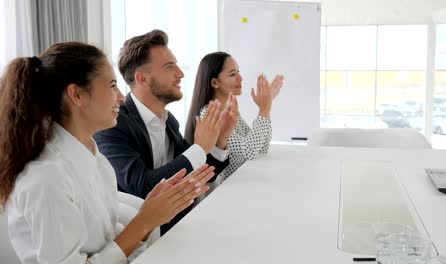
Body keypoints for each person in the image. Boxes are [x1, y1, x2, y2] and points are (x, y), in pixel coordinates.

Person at [0, 42, 216, 264]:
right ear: (77, 94)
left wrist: (150, 213)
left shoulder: (95, 158)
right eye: (112, 85)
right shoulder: (47, 177)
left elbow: (110, 240)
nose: (121, 97)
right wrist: (144, 221)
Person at [94, 30, 237, 233]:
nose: (180, 73)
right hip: (139, 242)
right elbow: (142, 187)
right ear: (142, 79)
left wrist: (220, 140)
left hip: (177, 229)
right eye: (170, 66)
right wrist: (199, 148)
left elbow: (201, 172)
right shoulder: (113, 124)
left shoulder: (169, 121)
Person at [185, 51, 283, 184]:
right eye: (233, 74)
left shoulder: (228, 109)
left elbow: (261, 148)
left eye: (238, 71)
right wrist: (264, 109)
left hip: (244, 182)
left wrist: (266, 107)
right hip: (230, 188)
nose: (240, 78)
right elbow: (249, 150)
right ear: (215, 83)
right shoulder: (209, 114)